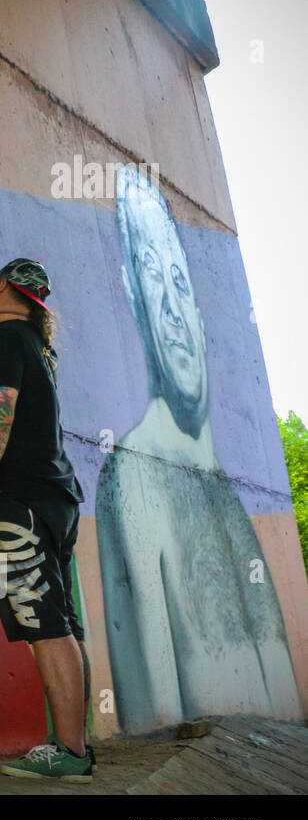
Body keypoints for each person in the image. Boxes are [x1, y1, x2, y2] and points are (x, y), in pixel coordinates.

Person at [96, 167, 298, 730]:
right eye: (151, 279)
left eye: (180, 283)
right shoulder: (135, 476)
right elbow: (155, 729)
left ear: (202, 314)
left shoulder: (228, 489)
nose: (170, 309)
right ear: (134, 297)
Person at [0, 259, 93, 781]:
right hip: (52, 500)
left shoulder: (2, 345)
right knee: (59, 623)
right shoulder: (26, 344)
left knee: (43, 624)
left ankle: (71, 754)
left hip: (17, 503)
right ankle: (77, 746)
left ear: (6, 286)